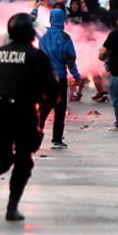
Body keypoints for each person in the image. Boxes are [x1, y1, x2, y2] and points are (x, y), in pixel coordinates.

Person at [0, 13, 57, 220]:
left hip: (1, 111)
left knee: (2, 156)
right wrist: (41, 121)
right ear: (31, 32)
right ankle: (11, 207)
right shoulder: (36, 56)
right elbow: (52, 89)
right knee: (24, 160)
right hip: (25, 112)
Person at [38, 8, 80, 149]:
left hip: (44, 77)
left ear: (51, 19)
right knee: (60, 109)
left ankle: (36, 131)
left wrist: (34, 10)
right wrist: (76, 75)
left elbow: (31, 23)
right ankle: (56, 139)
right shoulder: (65, 37)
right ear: (62, 19)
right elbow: (70, 59)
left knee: (43, 107)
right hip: (60, 78)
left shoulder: (42, 33)